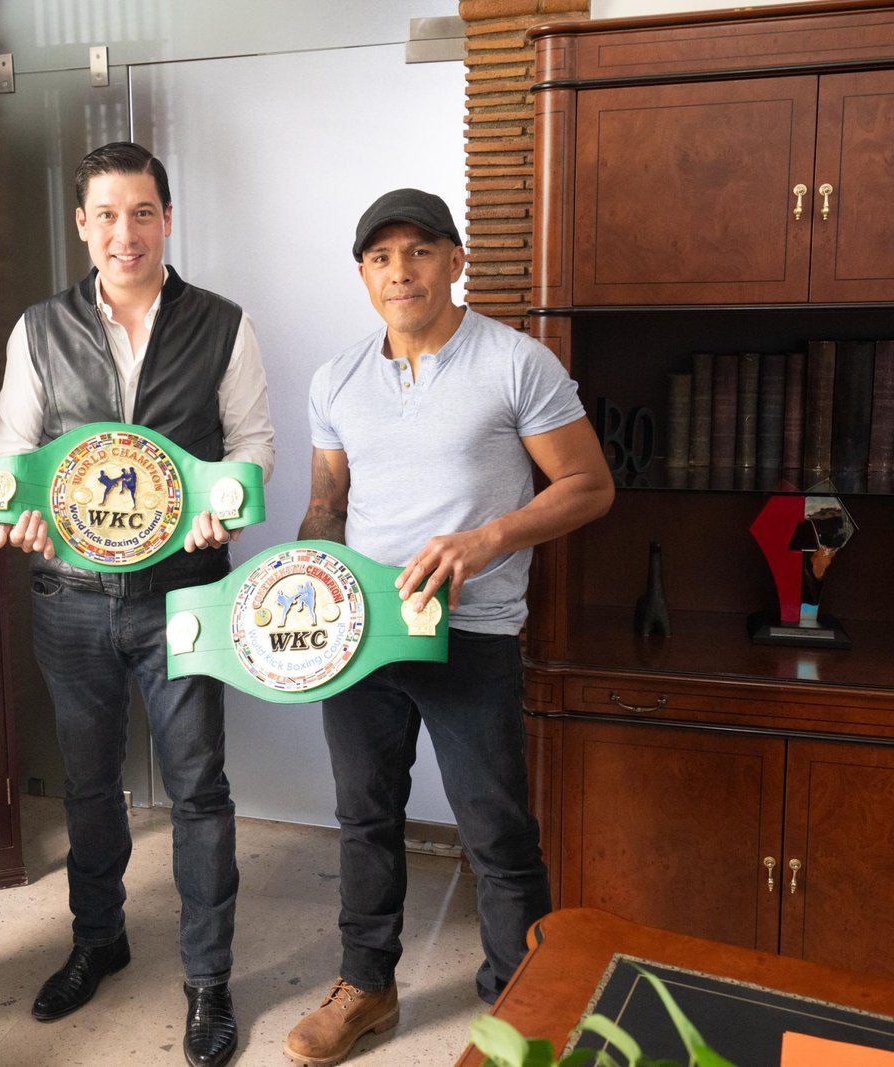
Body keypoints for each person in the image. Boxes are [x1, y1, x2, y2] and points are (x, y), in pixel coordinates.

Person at [284, 189, 614, 1066]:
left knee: (496, 831)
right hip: (362, 635)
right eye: (381, 257)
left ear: (456, 261)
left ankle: (520, 1004)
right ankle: (367, 985)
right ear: (362, 274)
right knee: (364, 816)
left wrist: (487, 540)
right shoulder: (335, 379)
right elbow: (327, 506)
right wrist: (301, 590)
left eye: (420, 250)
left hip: (473, 633)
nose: (401, 271)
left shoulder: (516, 362)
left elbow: (589, 485)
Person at [0, 142, 274, 1067]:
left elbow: (253, 445)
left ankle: (208, 980)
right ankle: (97, 939)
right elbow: (12, 452)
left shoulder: (224, 324)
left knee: (199, 789)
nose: (126, 232)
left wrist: (225, 505)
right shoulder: (38, 329)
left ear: (167, 219)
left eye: (143, 212)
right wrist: (19, 509)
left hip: (186, 593)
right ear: (82, 224)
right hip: (69, 597)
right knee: (87, 783)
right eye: (107, 214)